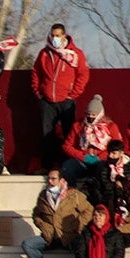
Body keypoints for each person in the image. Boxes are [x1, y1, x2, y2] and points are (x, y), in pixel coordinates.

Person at [31, 23, 91, 172]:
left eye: (58, 35)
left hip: (66, 101)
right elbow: (36, 72)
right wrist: (38, 91)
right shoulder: (45, 53)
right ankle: (48, 167)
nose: (55, 38)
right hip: (47, 100)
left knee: (68, 134)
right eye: (53, 35)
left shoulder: (75, 53)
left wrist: (73, 94)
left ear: (64, 36)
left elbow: (83, 74)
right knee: (47, 135)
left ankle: (68, 166)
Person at [21, 170, 92, 258]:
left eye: (53, 179)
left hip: (69, 236)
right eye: (48, 179)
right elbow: (36, 214)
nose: (50, 181)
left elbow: (88, 210)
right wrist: (41, 224)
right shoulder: (43, 195)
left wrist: (77, 224)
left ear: (62, 180)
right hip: (49, 236)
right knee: (28, 245)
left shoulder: (74, 195)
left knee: (85, 247)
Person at [60, 95, 122, 186]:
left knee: (103, 169)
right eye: (88, 114)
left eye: (93, 115)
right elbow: (66, 146)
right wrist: (83, 157)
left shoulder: (111, 127)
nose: (90, 117)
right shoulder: (78, 126)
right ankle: (71, 192)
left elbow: (117, 146)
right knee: (67, 167)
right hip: (82, 160)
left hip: (102, 160)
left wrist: (99, 157)